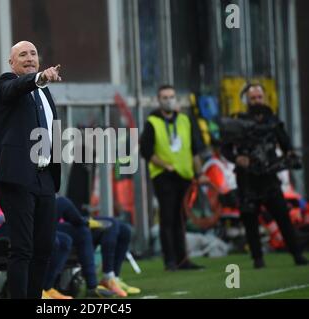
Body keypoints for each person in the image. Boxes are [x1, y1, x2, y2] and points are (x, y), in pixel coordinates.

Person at [0, 41, 62, 299]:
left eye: (33, 53)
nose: (29, 58)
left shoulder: (43, 92)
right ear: (11, 63)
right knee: (22, 248)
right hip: (16, 176)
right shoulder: (6, 84)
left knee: (44, 248)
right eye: (22, 54)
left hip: (44, 177)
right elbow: (16, 87)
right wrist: (40, 78)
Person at [221, 83, 308, 268]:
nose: (257, 101)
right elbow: (225, 149)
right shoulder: (237, 122)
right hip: (247, 179)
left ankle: (297, 254)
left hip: (269, 177)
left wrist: (290, 155)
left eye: (259, 97)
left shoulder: (272, 121)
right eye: (253, 98)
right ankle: (257, 258)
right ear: (247, 101)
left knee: (283, 216)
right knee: (250, 219)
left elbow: (286, 143)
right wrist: (238, 159)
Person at [140, 84, 206, 271]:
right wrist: (164, 165)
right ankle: (170, 261)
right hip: (164, 176)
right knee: (167, 219)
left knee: (182, 219)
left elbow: (194, 150)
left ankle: (183, 259)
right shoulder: (152, 122)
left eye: (171, 96)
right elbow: (146, 151)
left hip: (185, 176)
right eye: (164, 97)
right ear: (158, 100)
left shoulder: (185, 120)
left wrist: (200, 174)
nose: (169, 100)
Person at [56, 196, 140, 297]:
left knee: (123, 229)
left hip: (64, 217)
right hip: (55, 223)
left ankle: (113, 278)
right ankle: (103, 280)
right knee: (94, 228)